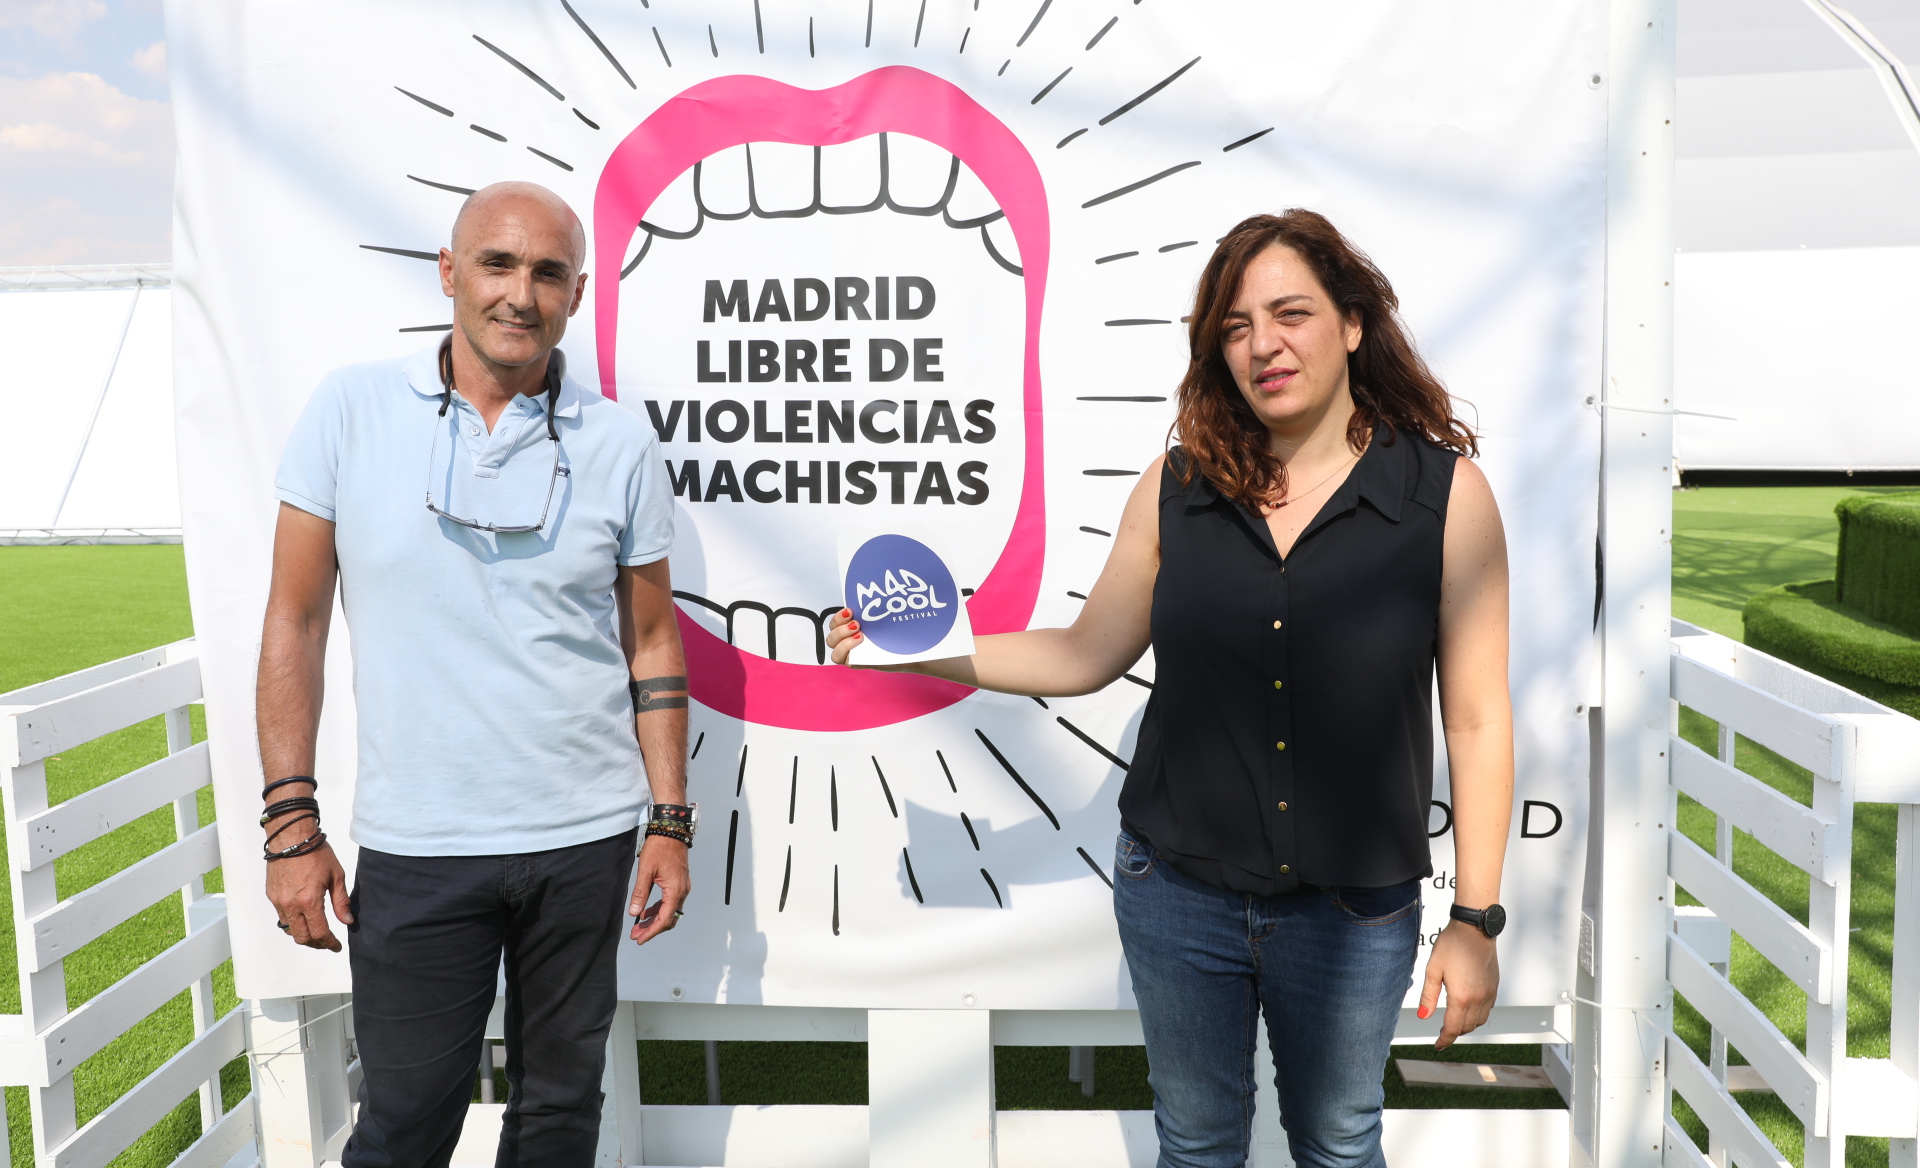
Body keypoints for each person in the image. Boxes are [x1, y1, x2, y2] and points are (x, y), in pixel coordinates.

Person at [828, 210, 1513, 1168]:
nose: (1264, 345)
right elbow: (1083, 655)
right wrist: (913, 648)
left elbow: (1476, 721)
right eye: (1236, 327)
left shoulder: (1445, 496)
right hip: (1178, 894)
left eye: (1291, 314)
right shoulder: (1177, 486)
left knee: (1340, 1143)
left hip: (1354, 912)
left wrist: (1475, 920)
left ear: (1354, 323)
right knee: (1194, 1147)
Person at [255, 181, 695, 1167]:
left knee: (559, 1117)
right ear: (449, 273)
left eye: (549, 272)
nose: (520, 294)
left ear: (577, 292)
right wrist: (290, 822)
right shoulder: (350, 409)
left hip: (584, 837)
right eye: (497, 263)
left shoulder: (618, 442)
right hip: (420, 841)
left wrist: (669, 820)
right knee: (404, 1125)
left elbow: (653, 641)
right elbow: (295, 620)